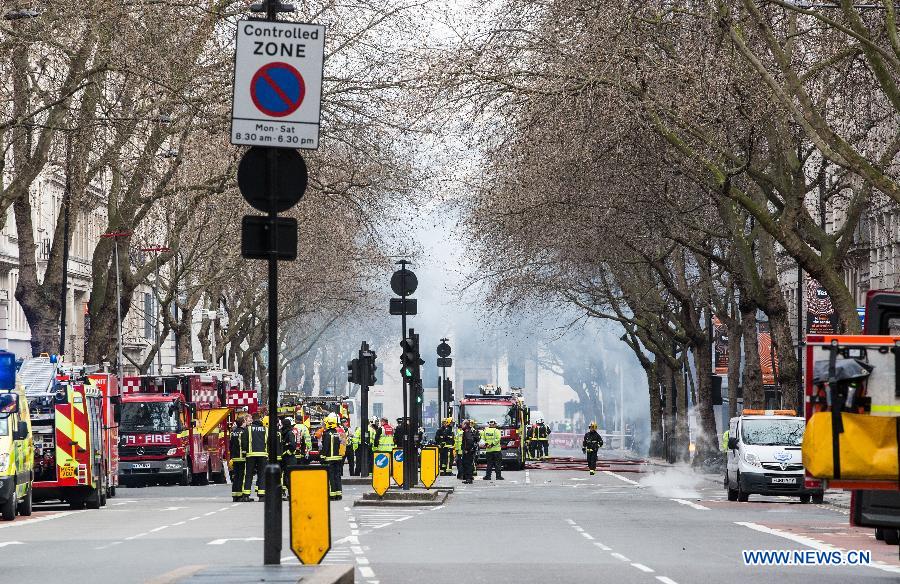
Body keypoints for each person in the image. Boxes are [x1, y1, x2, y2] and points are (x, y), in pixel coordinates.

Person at [242, 411, 268, 501]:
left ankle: (246, 495)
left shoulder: (248, 429)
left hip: (250, 455)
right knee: (262, 474)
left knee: (248, 475)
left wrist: (244, 452)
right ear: (260, 419)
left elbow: (244, 442)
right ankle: (262, 496)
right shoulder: (265, 429)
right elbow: (268, 442)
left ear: (253, 419)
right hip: (263, 455)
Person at [320, 415, 343, 500]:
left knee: (331, 477)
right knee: (337, 476)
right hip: (338, 458)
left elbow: (325, 447)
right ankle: (339, 494)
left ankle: (332, 495)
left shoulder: (326, 434)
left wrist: (322, 457)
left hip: (329, 459)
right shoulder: (338, 433)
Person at [229, 414, 248, 502]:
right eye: (245, 421)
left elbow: (230, 445)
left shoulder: (233, 432)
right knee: (242, 477)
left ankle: (235, 495)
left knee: (236, 476)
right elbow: (244, 445)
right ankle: (240, 495)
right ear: (243, 422)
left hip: (235, 457)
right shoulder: (243, 432)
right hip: (242, 457)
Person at [280, 416, 297, 498]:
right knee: (285, 476)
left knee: (289, 477)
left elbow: (293, 446)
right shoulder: (284, 432)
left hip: (289, 458)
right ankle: (285, 492)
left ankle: (292, 493)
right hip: (285, 458)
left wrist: (286, 453)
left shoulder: (289, 433)